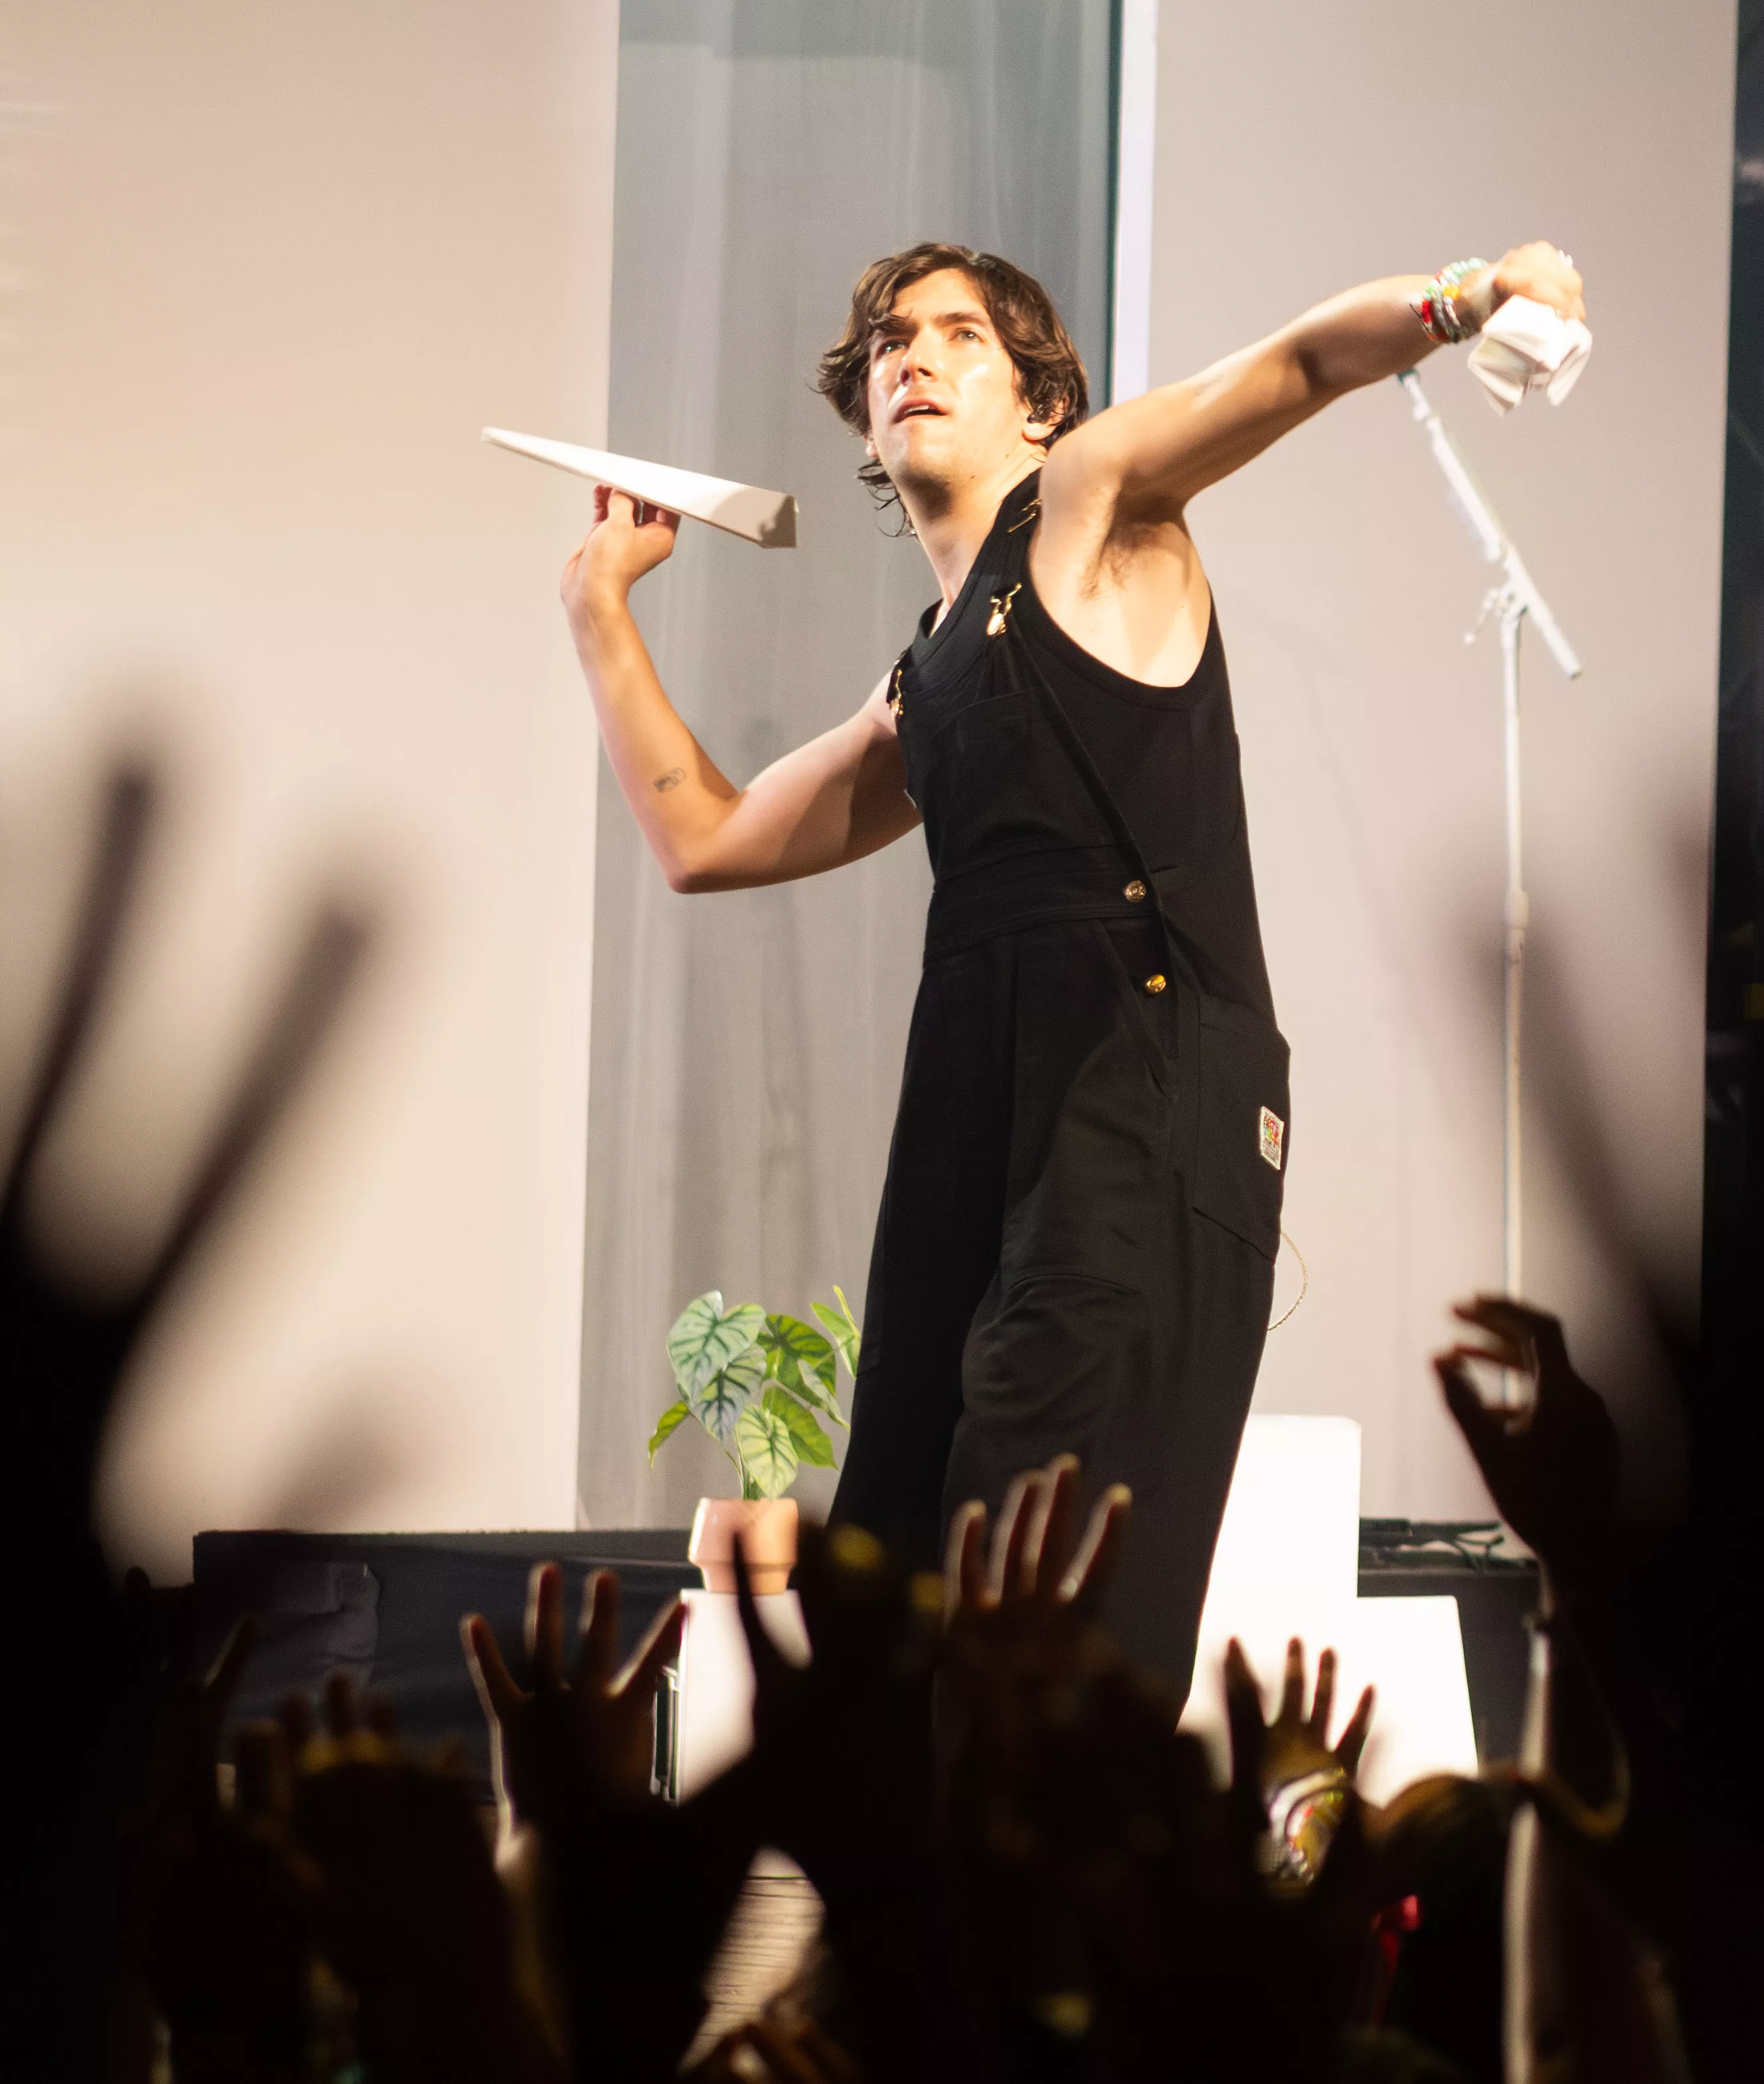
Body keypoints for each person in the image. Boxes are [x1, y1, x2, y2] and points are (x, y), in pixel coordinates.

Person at [556, 237, 1584, 1689]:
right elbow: (707, 838)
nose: (912, 356)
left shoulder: (1093, 500)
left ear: (1041, 401)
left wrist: (1466, 296)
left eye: (959, 336)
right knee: (900, 1564)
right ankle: (926, 1898)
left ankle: (1071, 1893)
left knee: (1040, 1564)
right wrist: (599, 608)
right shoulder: (926, 676)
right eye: (889, 346)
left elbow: (1288, 368)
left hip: (1140, 1084)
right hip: (983, 1110)